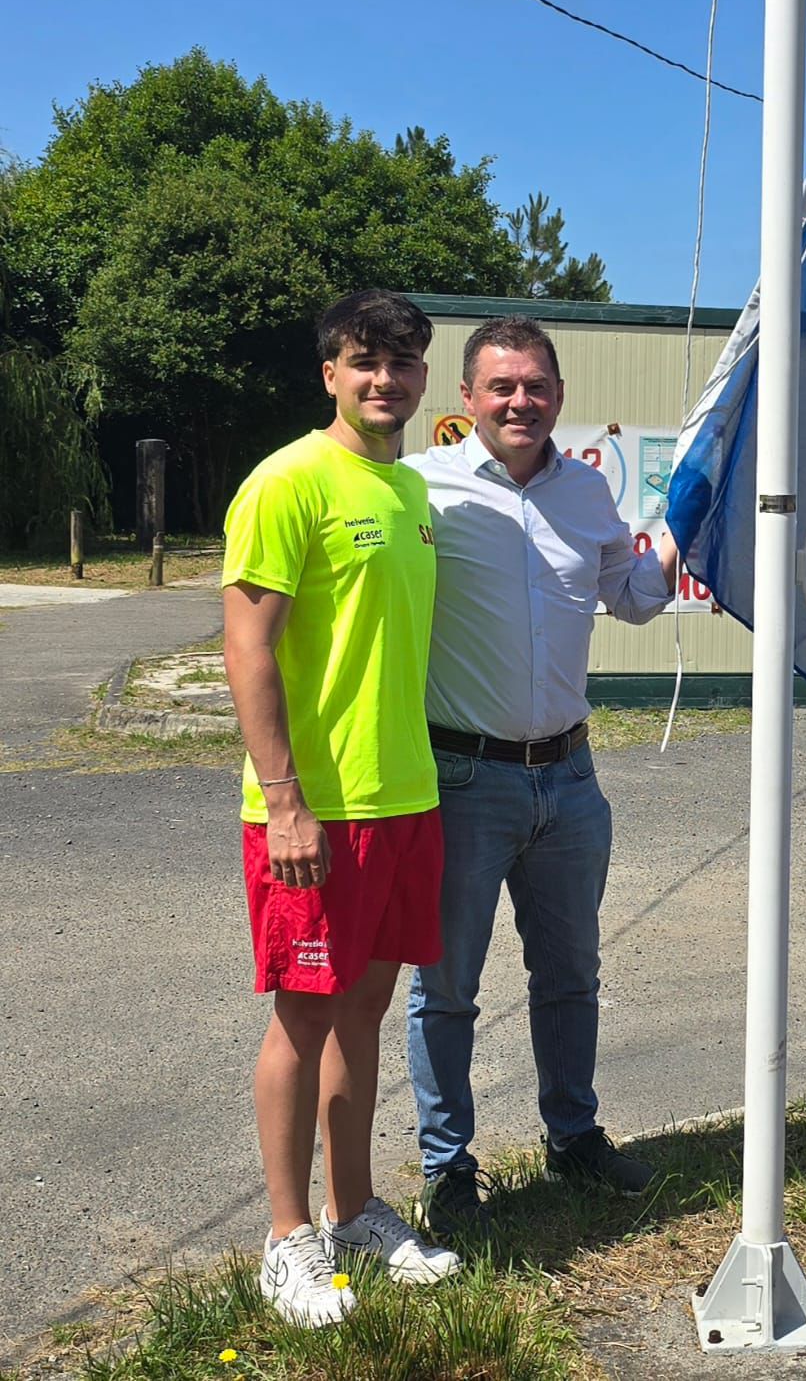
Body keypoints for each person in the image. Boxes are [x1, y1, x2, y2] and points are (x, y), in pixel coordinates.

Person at [404, 316, 681, 1240]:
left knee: (569, 975)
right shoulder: (421, 492)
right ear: (467, 400)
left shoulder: (589, 498)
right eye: (501, 387)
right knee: (445, 989)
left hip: (569, 780)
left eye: (535, 385)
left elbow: (635, 604)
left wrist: (682, 521)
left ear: (558, 395)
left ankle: (574, 1137)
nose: (520, 401)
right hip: (462, 779)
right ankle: (449, 1173)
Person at [221, 290, 461, 1329]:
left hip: (405, 797)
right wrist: (285, 801)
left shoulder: (408, 489)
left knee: (363, 1012)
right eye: (365, 361)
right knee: (303, 1014)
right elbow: (247, 646)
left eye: (403, 362)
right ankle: (287, 1239)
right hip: (315, 810)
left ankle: (354, 1209)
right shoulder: (286, 482)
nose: (385, 380)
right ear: (329, 372)